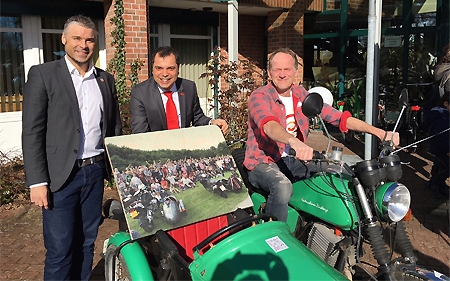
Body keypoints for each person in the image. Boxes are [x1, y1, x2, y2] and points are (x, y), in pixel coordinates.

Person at [244, 48, 399, 222]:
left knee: (339, 173)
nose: (282, 74)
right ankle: (276, 239)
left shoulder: (301, 94)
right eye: (277, 69)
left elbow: (337, 117)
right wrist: (293, 141)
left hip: (292, 160)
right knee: (282, 187)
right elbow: (269, 126)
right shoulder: (260, 96)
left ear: (295, 71)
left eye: (287, 69)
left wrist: (379, 132)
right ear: (269, 72)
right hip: (262, 161)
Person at [22, 15, 122, 280]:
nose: (83, 45)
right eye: (77, 38)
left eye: (89, 39)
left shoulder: (105, 79)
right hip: (59, 178)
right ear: (64, 39)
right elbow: (32, 131)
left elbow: (113, 128)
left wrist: (117, 172)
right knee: (60, 249)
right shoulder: (43, 75)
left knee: (87, 243)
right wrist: (37, 181)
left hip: (94, 173)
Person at [130, 46, 228, 134]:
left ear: (178, 69)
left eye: (170, 68)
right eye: (159, 68)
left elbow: (197, 118)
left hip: (184, 150)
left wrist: (212, 123)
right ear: (152, 69)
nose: (164, 74)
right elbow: (140, 133)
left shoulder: (189, 87)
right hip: (156, 151)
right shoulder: (140, 93)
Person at [425, 92, 450, 198]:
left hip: (442, 149)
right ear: (446, 104)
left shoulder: (445, 116)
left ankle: (439, 184)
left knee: (442, 166)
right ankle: (434, 183)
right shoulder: (442, 117)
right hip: (442, 149)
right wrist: (448, 150)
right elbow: (442, 137)